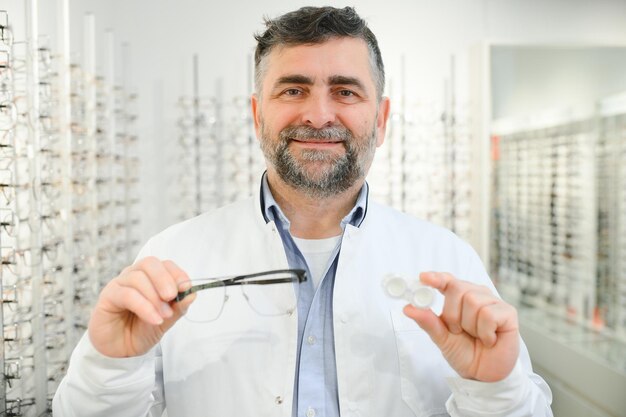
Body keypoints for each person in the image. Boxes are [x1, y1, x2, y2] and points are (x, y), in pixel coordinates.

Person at [53, 6, 553, 417]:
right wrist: (110, 367)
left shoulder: (447, 257)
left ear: (380, 119)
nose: (318, 115)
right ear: (256, 115)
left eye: (345, 91)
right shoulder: (171, 257)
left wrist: (495, 391)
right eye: (293, 90)